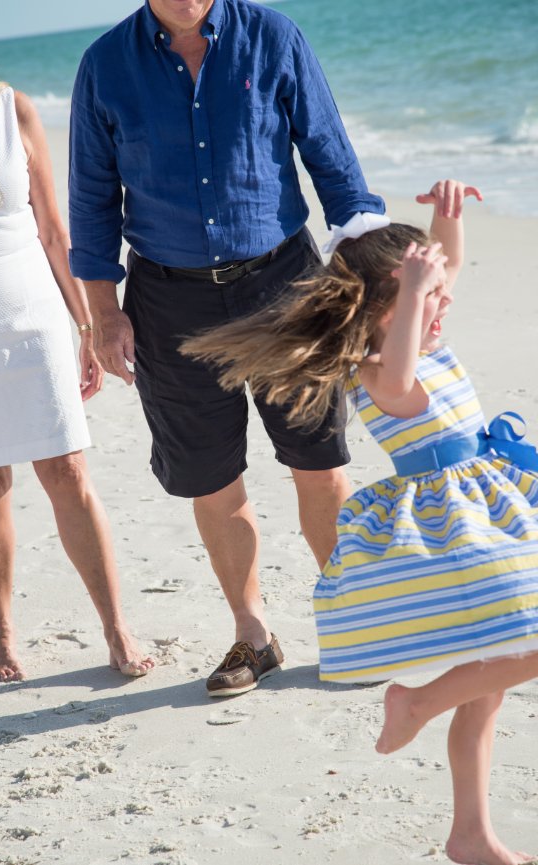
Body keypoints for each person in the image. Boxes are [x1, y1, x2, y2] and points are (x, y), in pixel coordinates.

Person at [182, 179, 538, 865]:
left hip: (492, 509)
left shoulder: (422, 337)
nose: (445, 304)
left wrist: (445, 218)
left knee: (489, 688)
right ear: (384, 307)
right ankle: (414, 701)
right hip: (457, 530)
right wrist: (414, 293)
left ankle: (471, 833)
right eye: (428, 298)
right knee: (515, 653)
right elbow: (403, 372)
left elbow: (451, 267)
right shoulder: (378, 370)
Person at [68, 0, 387, 697]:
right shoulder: (105, 66)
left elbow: (333, 162)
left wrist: (379, 283)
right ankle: (253, 633)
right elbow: (92, 199)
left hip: (286, 284)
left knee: (320, 463)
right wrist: (100, 313)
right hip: (168, 301)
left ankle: (356, 622)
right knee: (210, 478)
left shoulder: (273, 36)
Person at [0, 3, 154, 683]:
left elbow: (53, 230)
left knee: (66, 472)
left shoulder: (11, 111)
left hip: (33, 320)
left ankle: (116, 627)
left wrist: (86, 325)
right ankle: (1, 631)